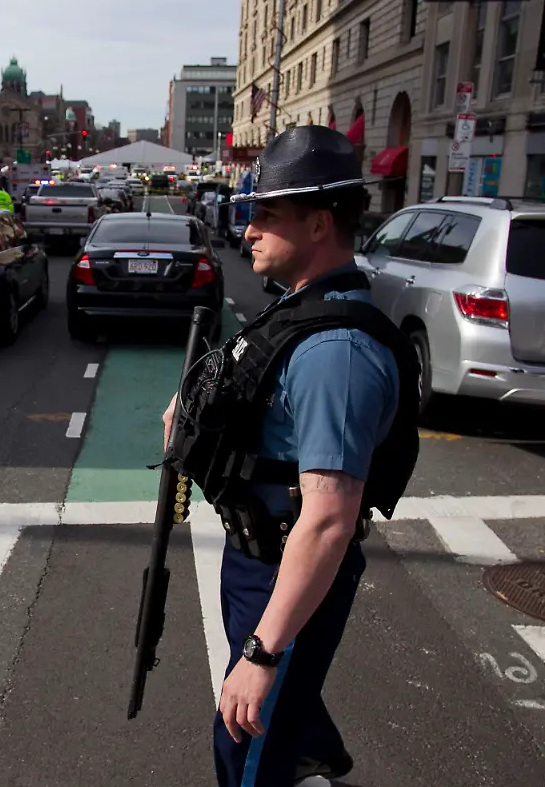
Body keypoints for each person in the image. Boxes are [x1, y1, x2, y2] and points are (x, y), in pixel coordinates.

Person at [161, 125, 406, 787]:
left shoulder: (336, 353)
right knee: (269, 720)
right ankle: (308, 742)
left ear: (320, 223)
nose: (248, 232)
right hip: (257, 556)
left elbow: (327, 521)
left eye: (267, 215)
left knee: (245, 748)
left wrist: (263, 653)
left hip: (284, 568)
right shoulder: (299, 309)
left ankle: (295, 744)